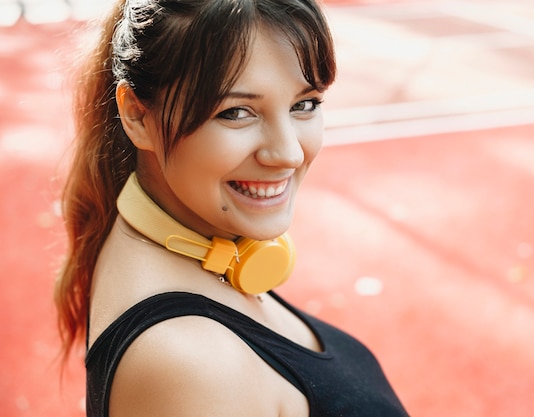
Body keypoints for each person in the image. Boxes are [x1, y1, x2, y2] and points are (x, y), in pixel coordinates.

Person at [55, 0, 410, 416]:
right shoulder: (192, 366)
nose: (289, 153)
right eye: (236, 112)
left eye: (305, 104)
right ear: (137, 115)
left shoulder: (192, 242)